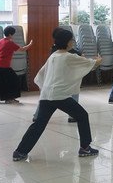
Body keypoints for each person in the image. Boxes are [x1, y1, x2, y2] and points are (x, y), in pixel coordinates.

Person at [13, 29, 102, 161]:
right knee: (82, 115)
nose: (73, 42)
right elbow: (92, 64)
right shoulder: (68, 56)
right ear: (67, 42)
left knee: (38, 124)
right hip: (60, 96)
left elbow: (41, 75)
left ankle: (20, 152)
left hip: (46, 95)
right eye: (72, 40)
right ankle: (85, 148)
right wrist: (99, 59)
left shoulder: (53, 56)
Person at [33, 27, 82, 123]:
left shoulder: (55, 48)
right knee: (74, 92)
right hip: (61, 80)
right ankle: (72, 116)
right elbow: (74, 54)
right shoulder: (59, 49)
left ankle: (37, 115)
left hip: (58, 79)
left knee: (45, 98)